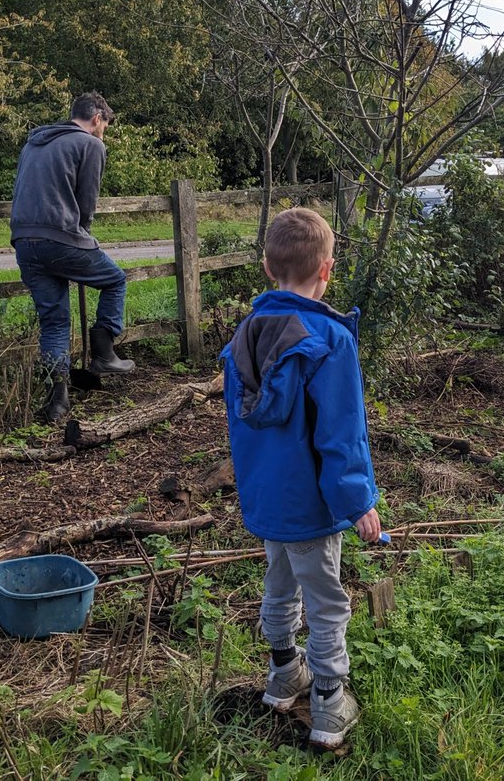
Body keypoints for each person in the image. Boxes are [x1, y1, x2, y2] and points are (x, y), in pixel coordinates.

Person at [221, 207, 382, 750]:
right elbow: (342, 435)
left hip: (268, 500)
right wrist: (359, 500)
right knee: (327, 599)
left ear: (268, 267)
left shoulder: (244, 335)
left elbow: (243, 431)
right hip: (312, 505)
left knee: (279, 583)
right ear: (328, 269)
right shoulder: (331, 340)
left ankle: (284, 673)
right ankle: (330, 705)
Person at [11, 91, 135, 423]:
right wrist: (83, 233)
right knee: (115, 281)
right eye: (104, 126)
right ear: (97, 119)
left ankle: (58, 399)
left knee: (54, 322)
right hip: (61, 237)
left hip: (24, 240)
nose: (103, 132)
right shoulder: (90, 144)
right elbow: (87, 200)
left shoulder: (34, 144)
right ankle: (105, 351)